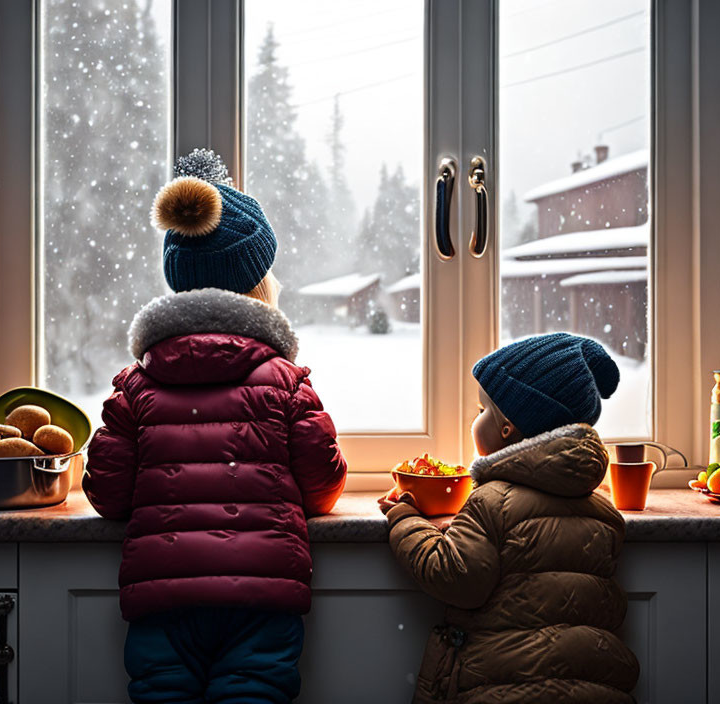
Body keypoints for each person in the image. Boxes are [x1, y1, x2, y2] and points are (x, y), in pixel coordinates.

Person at [83, 149, 347, 704]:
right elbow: (321, 488)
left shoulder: (136, 386)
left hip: (164, 602)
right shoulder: (285, 382)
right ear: (259, 286)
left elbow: (107, 493)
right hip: (261, 598)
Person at [380, 333, 639, 703]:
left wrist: (404, 516)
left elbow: (455, 576)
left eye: (481, 410)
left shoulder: (491, 502)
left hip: (502, 689)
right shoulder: (603, 513)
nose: (476, 419)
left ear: (507, 428)